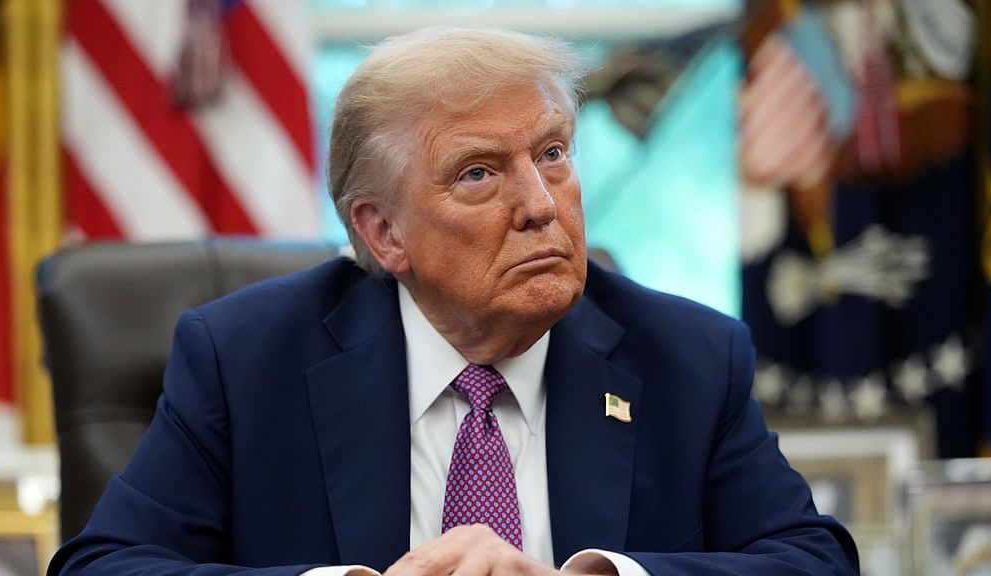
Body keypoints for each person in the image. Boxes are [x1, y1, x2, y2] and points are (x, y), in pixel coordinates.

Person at [48, 26, 859, 576]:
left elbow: (812, 559)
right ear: (382, 231)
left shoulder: (687, 355)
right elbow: (103, 565)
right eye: (479, 173)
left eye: (552, 154)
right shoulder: (246, 359)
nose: (542, 204)